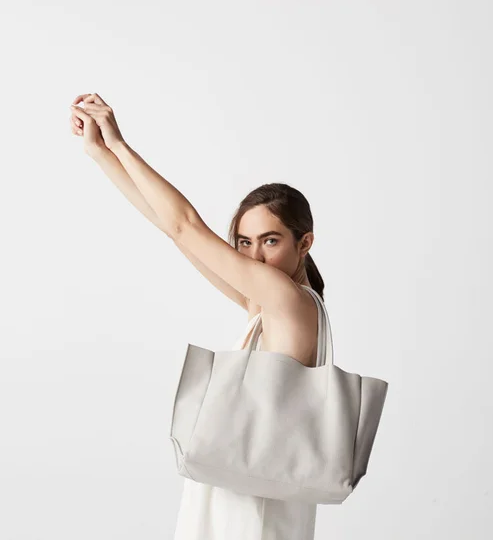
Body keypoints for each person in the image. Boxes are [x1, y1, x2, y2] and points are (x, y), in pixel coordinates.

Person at [69, 92, 326, 540]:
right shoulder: (270, 303)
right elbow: (174, 231)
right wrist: (100, 153)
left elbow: (184, 223)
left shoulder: (286, 298)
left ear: (303, 243)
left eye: (270, 241)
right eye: (244, 242)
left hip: (253, 493)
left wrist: (120, 144)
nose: (254, 256)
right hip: (242, 478)